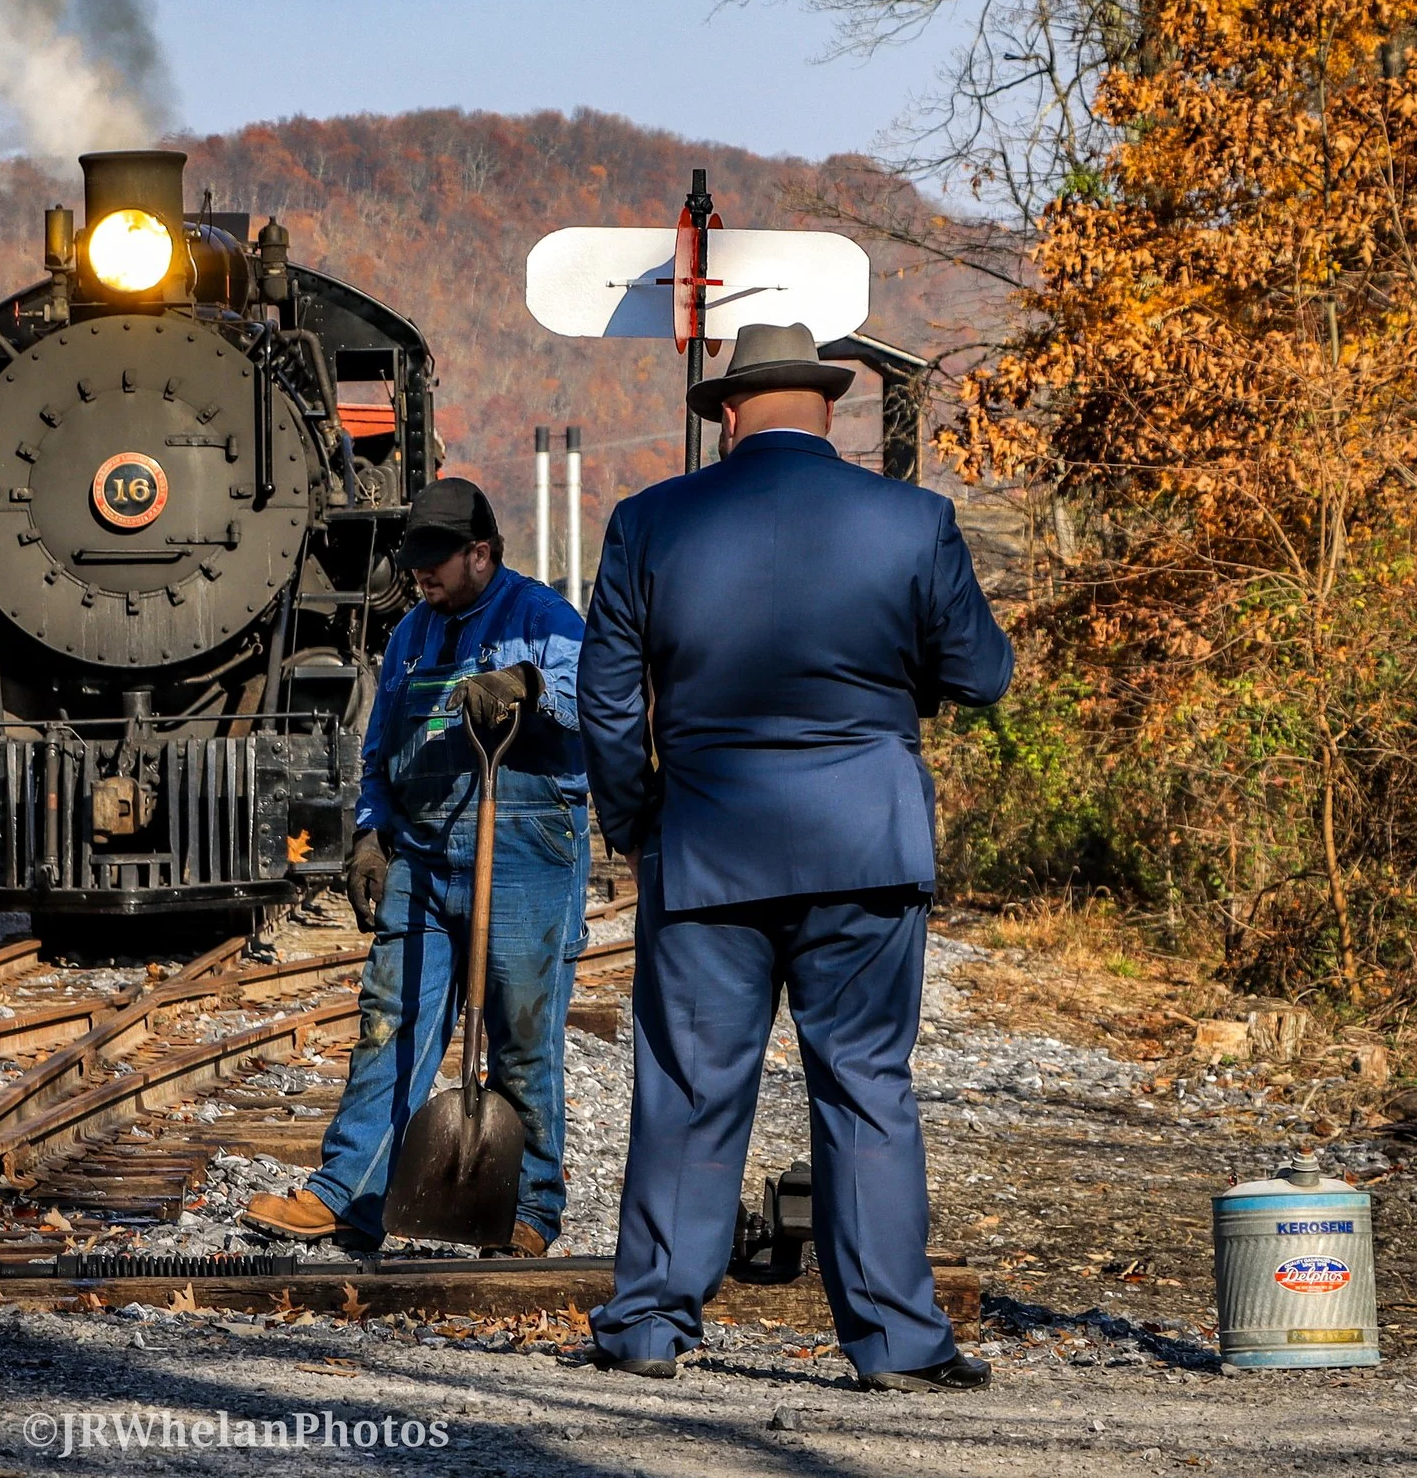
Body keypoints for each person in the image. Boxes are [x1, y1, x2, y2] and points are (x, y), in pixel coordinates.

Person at [577, 322, 1013, 1390]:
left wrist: (638, 822)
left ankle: (647, 1326)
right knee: (866, 1085)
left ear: (728, 411)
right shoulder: (913, 521)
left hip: (709, 849)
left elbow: (602, 699)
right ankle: (897, 1346)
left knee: (686, 1086)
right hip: (864, 847)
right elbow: (983, 673)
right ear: (828, 407)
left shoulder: (649, 522)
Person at [242, 478, 590, 1257]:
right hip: (426, 854)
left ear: (482, 553)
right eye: (415, 561)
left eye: (437, 562)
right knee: (390, 1021)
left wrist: (525, 687)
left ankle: (528, 1210)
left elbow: (589, 695)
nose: (421, 576)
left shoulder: (543, 617)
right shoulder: (410, 635)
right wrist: (371, 837)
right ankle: (349, 1195)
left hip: (527, 848)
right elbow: (376, 755)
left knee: (523, 1035)